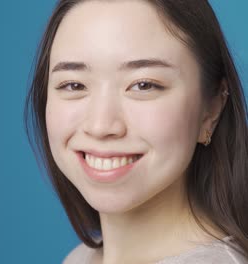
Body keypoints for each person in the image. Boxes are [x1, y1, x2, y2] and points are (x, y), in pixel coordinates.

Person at [24, 0, 248, 263]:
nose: (101, 126)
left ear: (211, 109)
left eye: (143, 85)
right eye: (74, 85)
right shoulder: (80, 258)